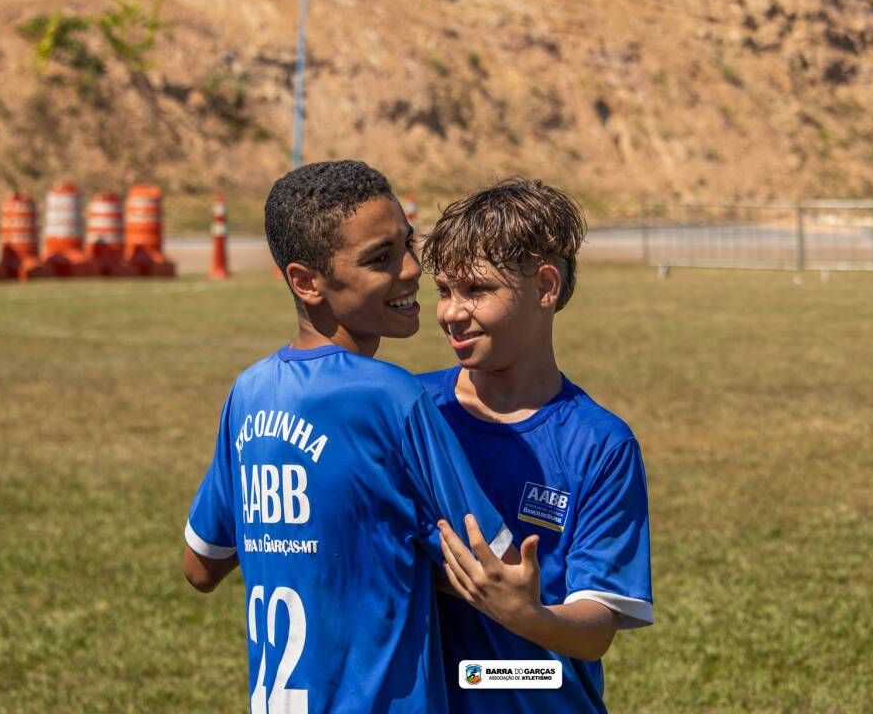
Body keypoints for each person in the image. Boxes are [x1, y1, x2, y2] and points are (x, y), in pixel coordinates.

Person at [181, 160, 513, 714]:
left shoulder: (250, 393)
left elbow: (200, 565)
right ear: (307, 282)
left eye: (409, 245)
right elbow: (495, 571)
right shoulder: (391, 396)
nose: (410, 270)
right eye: (380, 259)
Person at [418, 179, 654, 713]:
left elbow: (596, 627)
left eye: (476, 290)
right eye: (443, 290)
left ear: (546, 286)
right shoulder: (411, 410)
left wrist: (526, 614)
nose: (451, 312)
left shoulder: (600, 444)